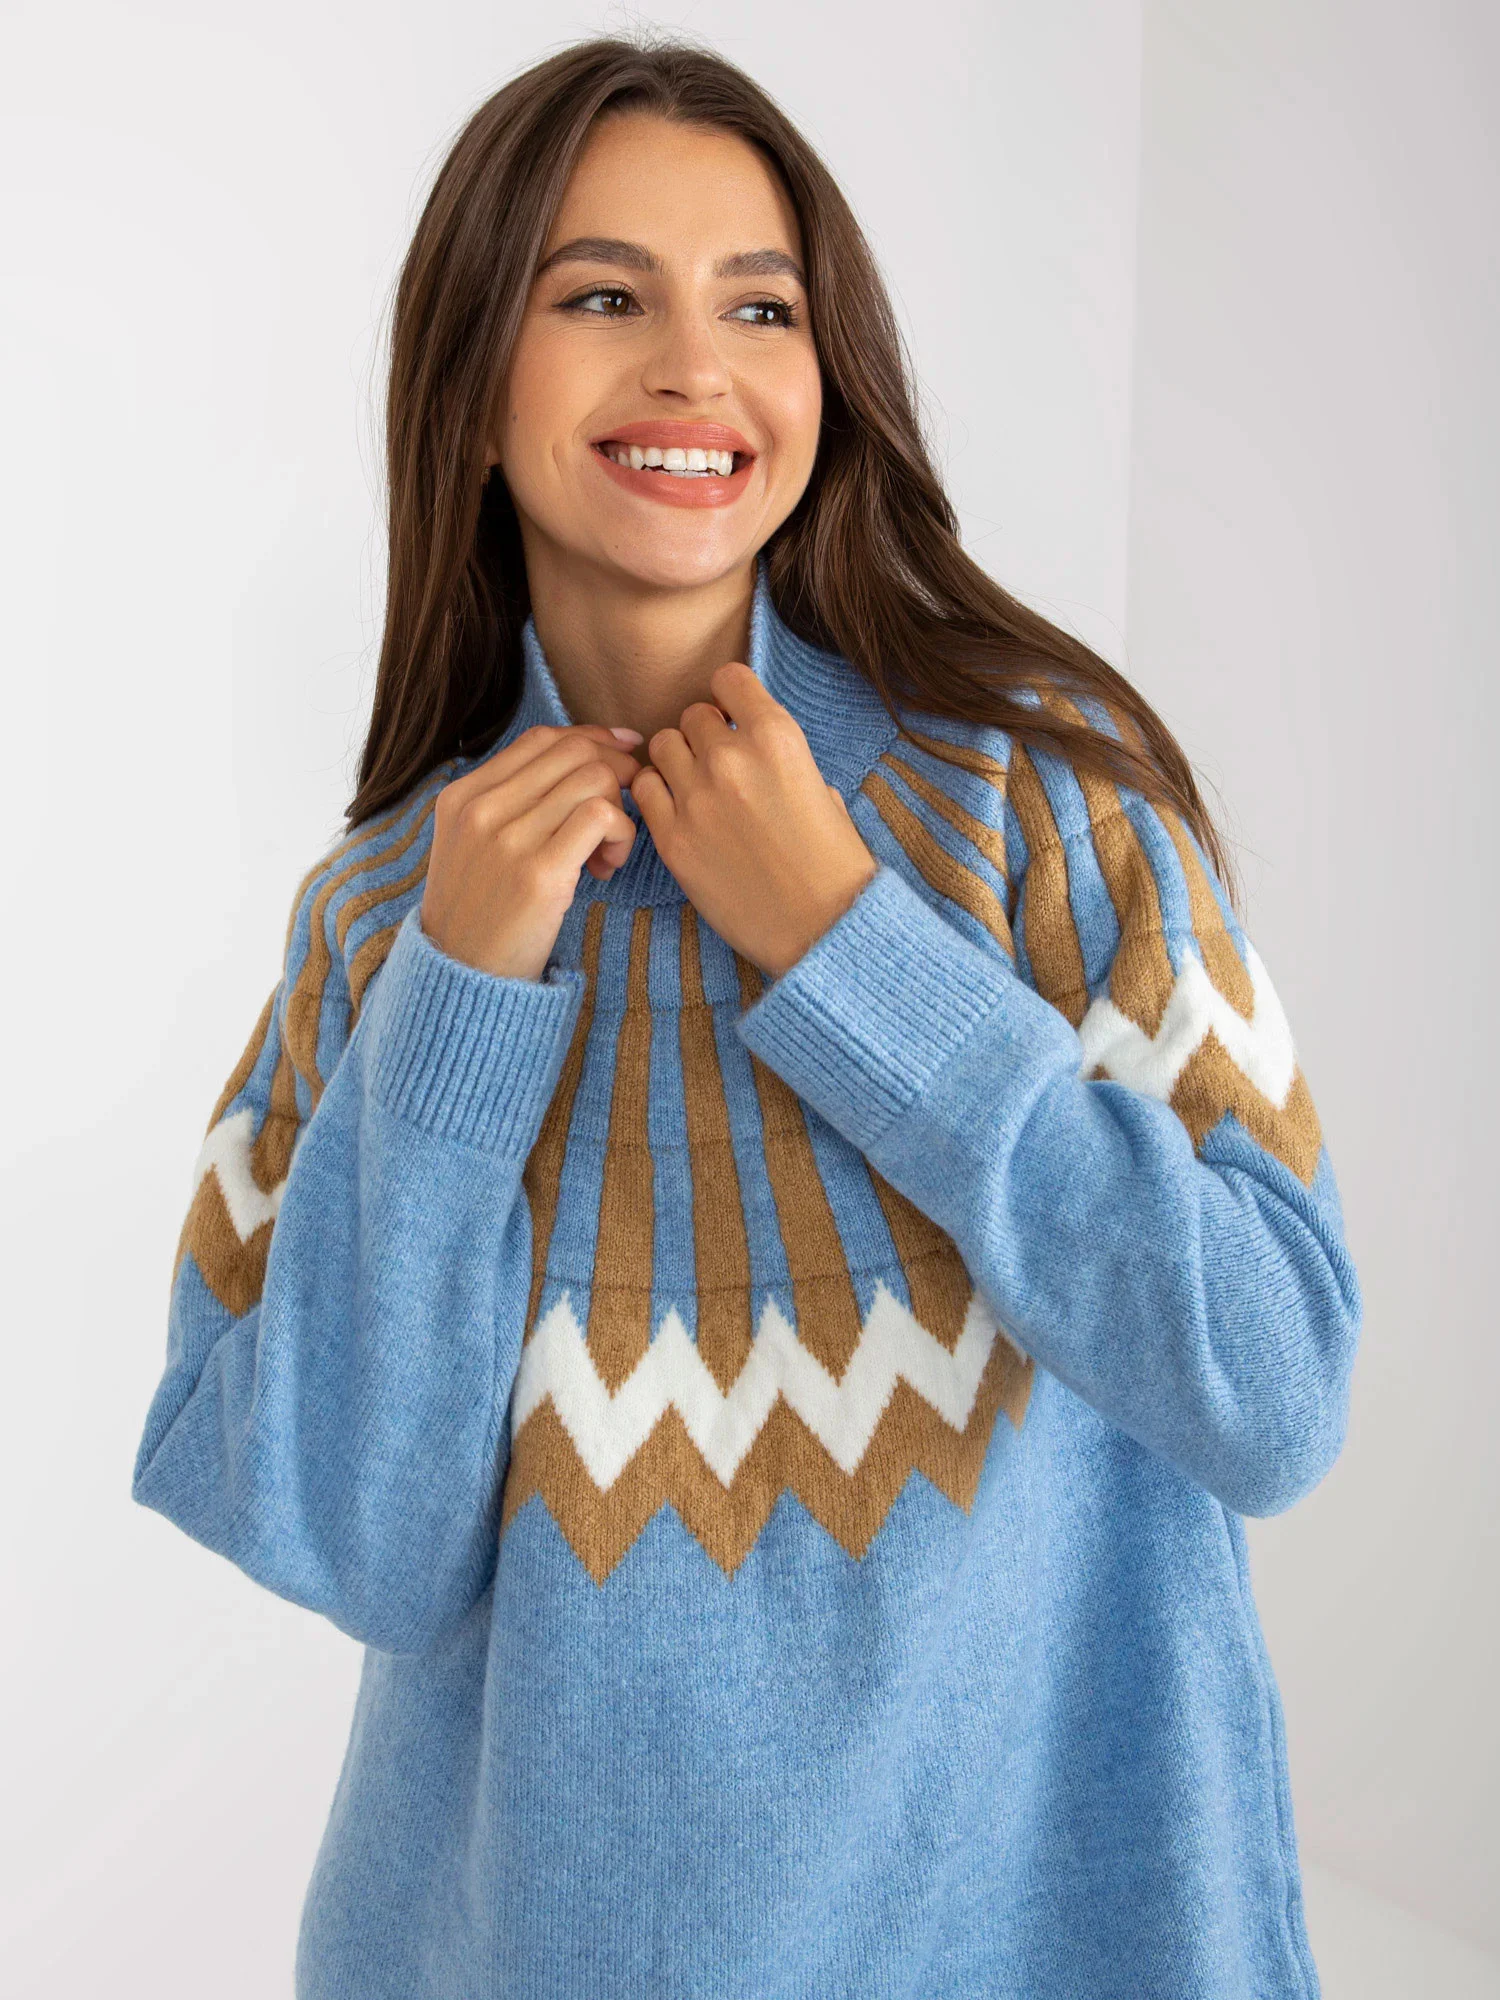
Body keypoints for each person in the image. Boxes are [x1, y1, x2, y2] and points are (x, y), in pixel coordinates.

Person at [131, 31, 1361, 2000]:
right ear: (470, 389)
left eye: (761, 306)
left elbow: (1272, 1384)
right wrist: (453, 1004)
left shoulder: (1045, 802)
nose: (694, 366)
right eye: (602, 296)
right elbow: (357, 1549)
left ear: (827, 380)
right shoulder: (386, 918)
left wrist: (851, 946)